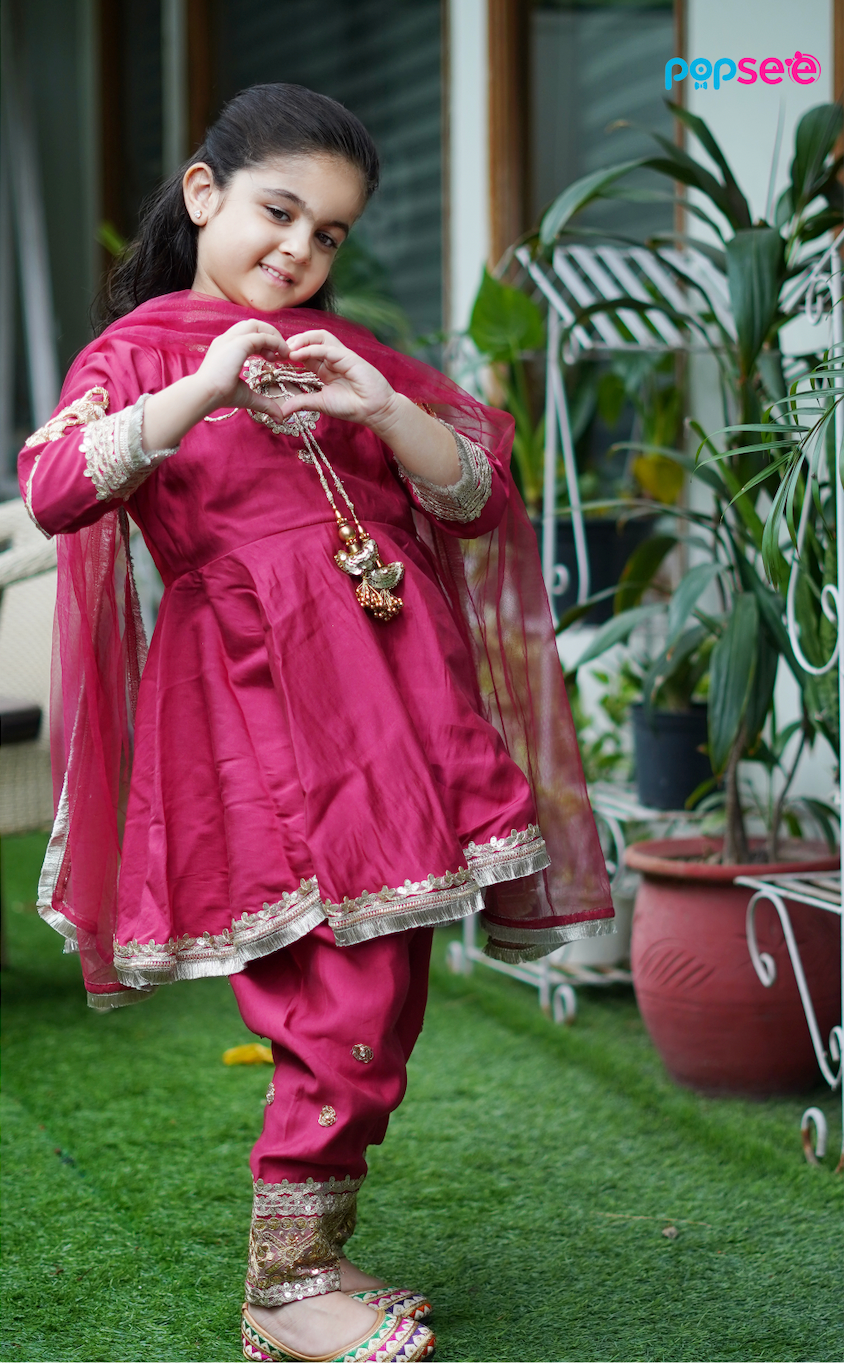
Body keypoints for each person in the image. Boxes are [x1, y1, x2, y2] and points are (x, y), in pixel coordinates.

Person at [18, 84, 613, 1364]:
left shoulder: (346, 353)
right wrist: (209, 386)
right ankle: (282, 1288)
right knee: (332, 985)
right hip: (251, 703)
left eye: (328, 233)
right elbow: (59, 483)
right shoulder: (145, 351)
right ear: (203, 194)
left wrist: (376, 406)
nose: (297, 250)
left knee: (382, 982)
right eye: (278, 212)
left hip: (389, 699)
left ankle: (312, 1255)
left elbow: (471, 493)